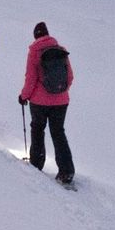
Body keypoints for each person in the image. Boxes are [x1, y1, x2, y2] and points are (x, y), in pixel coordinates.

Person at [18, 22, 74, 185]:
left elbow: (31, 78)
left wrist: (24, 96)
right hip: (61, 101)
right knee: (58, 133)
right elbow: (69, 76)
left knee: (37, 129)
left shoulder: (34, 51)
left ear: (36, 35)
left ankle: (36, 163)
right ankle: (66, 170)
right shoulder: (61, 50)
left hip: (39, 102)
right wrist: (60, 92)